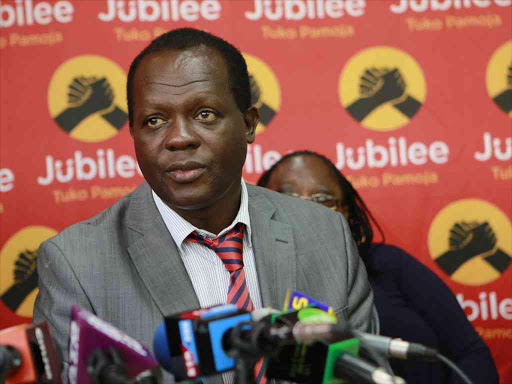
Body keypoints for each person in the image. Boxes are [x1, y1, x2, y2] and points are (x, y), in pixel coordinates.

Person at [33, 29, 375, 384]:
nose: (179, 137)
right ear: (133, 133)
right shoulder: (75, 264)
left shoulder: (325, 234)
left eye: (205, 114)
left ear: (248, 123)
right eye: (154, 120)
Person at [257, 150, 499, 384]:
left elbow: (470, 353)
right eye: (287, 198)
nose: (306, 210)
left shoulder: (387, 264)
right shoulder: (248, 279)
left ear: (347, 213)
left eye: (321, 199)